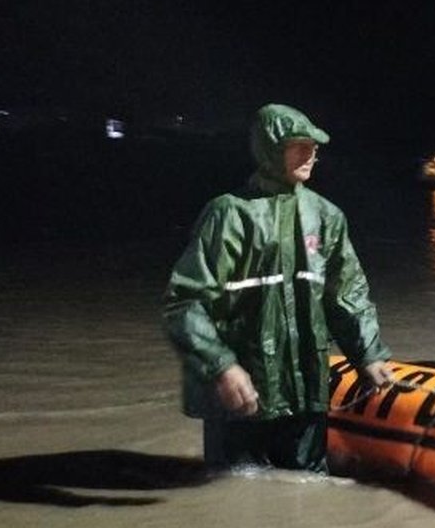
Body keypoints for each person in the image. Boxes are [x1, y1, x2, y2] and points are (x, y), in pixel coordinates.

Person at [163, 104, 393, 473]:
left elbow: (347, 294)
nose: (310, 155)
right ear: (270, 149)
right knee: (235, 495)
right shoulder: (230, 214)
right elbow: (185, 302)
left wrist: (368, 353)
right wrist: (222, 367)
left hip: (306, 394)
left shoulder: (327, 216)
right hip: (244, 397)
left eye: (314, 147)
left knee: (308, 491)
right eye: (298, 145)